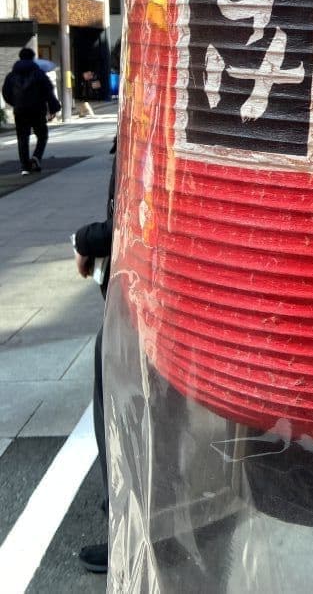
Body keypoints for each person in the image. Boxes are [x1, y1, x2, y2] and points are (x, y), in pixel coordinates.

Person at [72, 137, 116, 575]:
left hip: (138, 301)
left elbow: (134, 215)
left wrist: (86, 239)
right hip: (161, 296)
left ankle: (126, 532)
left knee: (118, 416)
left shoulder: (148, 118)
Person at [2, 47, 61, 174]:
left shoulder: (11, 76)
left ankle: (25, 167)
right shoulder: (39, 74)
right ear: (32, 58)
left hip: (20, 111)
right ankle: (36, 158)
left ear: (20, 57)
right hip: (37, 110)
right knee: (42, 135)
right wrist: (53, 107)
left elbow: (6, 93)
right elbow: (48, 91)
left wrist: (15, 103)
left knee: (22, 138)